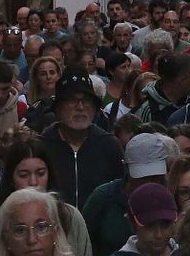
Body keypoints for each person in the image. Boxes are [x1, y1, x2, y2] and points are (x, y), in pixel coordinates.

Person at [0, 137, 93, 256]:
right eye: (24, 175)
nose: (33, 182)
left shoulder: (71, 218)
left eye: (40, 173)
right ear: (11, 180)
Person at [82, 131, 180, 256]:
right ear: (126, 167)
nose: (150, 181)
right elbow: (82, 245)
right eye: (142, 177)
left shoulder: (172, 195)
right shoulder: (103, 198)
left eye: (156, 176)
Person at [39, 68, 126, 210]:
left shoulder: (109, 146)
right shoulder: (41, 147)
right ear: (58, 108)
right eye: (72, 100)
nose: (80, 107)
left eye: (86, 101)